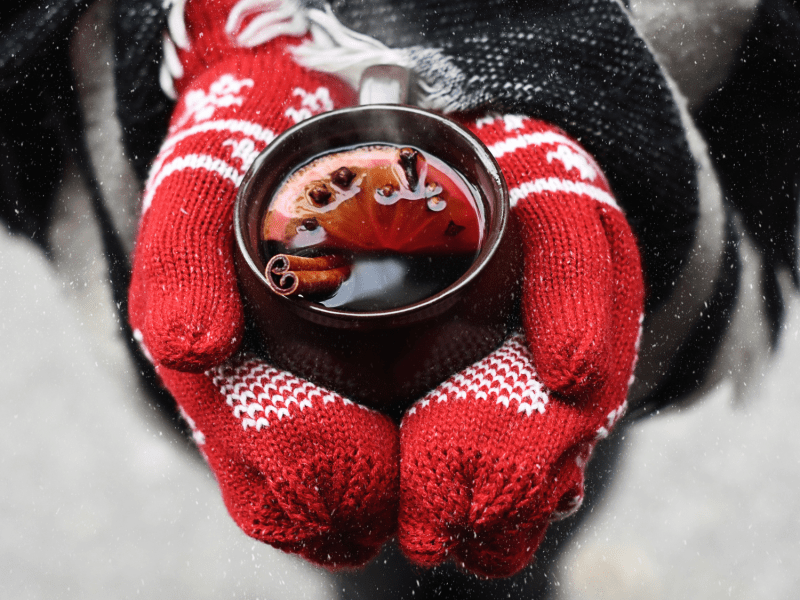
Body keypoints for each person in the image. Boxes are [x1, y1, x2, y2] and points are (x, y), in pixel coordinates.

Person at [2, 0, 798, 597]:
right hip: (276, 329)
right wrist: (212, 33)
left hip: (511, 300)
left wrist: (561, 65)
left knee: (517, 483)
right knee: (359, 524)